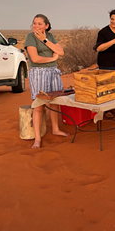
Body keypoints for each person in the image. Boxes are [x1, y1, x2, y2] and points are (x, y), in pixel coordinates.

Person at [24, 14, 70, 148]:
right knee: (39, 104)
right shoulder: (30, 37)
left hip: (53, 72)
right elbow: (35, 58)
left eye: (39, 23)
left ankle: (55, 129)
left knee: (55, 102)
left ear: (46, 26)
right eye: (34, 23)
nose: (36, 26)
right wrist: (52, 59)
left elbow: (60, 52)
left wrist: (44, 40)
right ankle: (37, 139)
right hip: (39, 72)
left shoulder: (49, 37)